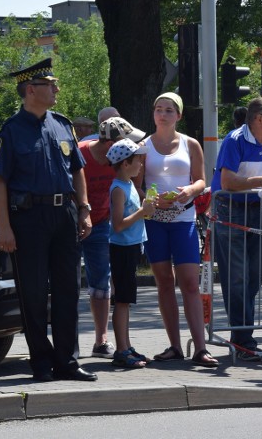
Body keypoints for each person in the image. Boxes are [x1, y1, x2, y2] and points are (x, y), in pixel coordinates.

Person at [0, 57, 97, 382]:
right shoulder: (9, 131)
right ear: (30, 90)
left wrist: (84, 208)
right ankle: (41, 362)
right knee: (34, 293)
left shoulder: (62, 124)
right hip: (29, 218)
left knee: (68, 290)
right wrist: (4, 226)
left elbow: (77, 169)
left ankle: (67, 360)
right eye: (50, 85)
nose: (56, 89)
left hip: (64, 214)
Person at [141, 92, 218, 367]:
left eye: (169, 110)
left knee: (189, 283)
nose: (162, 114)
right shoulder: (143, 146)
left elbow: (201, 180)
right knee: (164, 283)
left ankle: (200, 348)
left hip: (183, 220)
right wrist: (149, 199)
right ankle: (174, 345)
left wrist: (189, 190)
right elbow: (137, 184)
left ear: (179, 115)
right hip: (155, 223)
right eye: (158, 109)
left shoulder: (190, 143)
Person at [212, 97, 262, 361]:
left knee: (256, 274)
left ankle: (241, 334)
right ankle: (244, 340)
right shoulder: (234, 140)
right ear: (259, 119)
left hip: (258, 210)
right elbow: (227, 180)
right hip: (230, 209)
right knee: (236, 278)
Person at [78, 114, 147, 360]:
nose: (135, 150)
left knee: (101, 284)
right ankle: (70, 345)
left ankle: (102, 341)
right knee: (69, 283)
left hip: (101, 226)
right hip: (76, 223)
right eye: (129, 144)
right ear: (112, 146)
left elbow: (133, 188)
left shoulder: (123, 167)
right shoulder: (81, 153)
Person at [106, 138, 154, 368]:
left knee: (126, 300)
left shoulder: (130, 185)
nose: (141, 165)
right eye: (137, 160)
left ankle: (126, 345)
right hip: (121, 249)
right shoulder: (118, 189)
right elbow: (117, 224)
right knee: (122, 301)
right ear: (125, 164)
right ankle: (121, 350)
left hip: (131, 247)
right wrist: (142, 213)